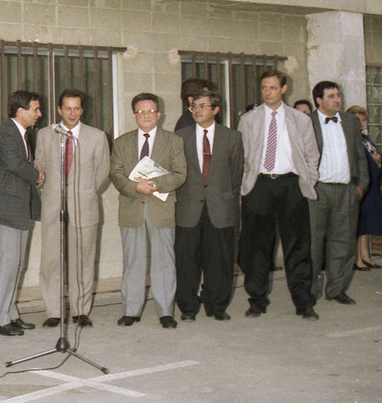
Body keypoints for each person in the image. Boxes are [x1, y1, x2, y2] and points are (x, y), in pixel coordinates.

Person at [237, 70, 320, 320]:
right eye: (264, 87)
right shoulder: (248, 120)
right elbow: (241, 157)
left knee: (298, 245)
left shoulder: (300, 120)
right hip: (259, 186)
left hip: (291, 185)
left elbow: (312, 155)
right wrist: (246, 186)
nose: (268, 92)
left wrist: (308, 181)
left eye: (273, 87)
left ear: (284, 89)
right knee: (257, 246)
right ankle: (257, 300)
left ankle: (303, 301)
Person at [110, 93, 186, 329]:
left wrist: (154, 185)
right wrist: (136, 187)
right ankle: (131, 310)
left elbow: (180, 174)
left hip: (161, 209)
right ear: (134, 115)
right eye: (141, 112)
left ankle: (165, 312)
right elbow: (116, 174)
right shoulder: (121, 142)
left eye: (151, 111)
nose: (146, 116)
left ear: (159, 115)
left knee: (164, 261)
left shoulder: (173, 141)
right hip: (132, 209)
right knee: (133, 261)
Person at [35, 88, 109, 328]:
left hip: (84, 208)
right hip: (53, 207)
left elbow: (102, 172)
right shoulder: (46, 135)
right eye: (68, 108)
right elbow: (40, 168)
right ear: (59, 110)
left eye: (77, 108)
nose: (72, 112)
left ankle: (80, 310)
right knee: (51, 261)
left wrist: (84, 193)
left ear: (82, 110)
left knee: (83, 260)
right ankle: (54, 311)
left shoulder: (97, 136)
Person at [0, 90, 44, 336]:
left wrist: (33, 170)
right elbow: (14, 164)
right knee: (8, 263)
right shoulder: (7, 134)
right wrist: (37, 174)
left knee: (16, 264)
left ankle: (10, 313)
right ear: (21, 111)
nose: (39, 114)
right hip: (4, 209)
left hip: (17, 207)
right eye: (35, 109)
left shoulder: (21, 134)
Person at [174, 90, 243, 321]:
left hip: (220, 207)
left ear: (215, 110)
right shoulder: (180, 136)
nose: (197, 110)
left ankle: (217, 306)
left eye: (203, 106)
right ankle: (188, 307)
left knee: (220, 260)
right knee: (186, 260)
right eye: (194, 106)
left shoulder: (232, 137)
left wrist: (222, 196)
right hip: (188, 208)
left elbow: (236, 175)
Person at [308, 82, 368, 304]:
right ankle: (311, 291)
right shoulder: (308, 122)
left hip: (346, 191)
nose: (338, 100)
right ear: (319, 100)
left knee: (342, 243)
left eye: (338, 95)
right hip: (318, 191)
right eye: (331, 96)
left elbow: (360, 157)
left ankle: (336, 289)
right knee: (314, 244)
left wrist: (360, 187)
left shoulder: (350, 122)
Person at [345, 105, 382, 270]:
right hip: (360, 183)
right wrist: (373, 159)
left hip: (372, 184)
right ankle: (357, 258)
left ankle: (366, 256)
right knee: (359, 222)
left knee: (368, 222)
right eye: (357, 119)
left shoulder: (366, 139)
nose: (361, 122)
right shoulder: (352, 139)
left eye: (363, 119)